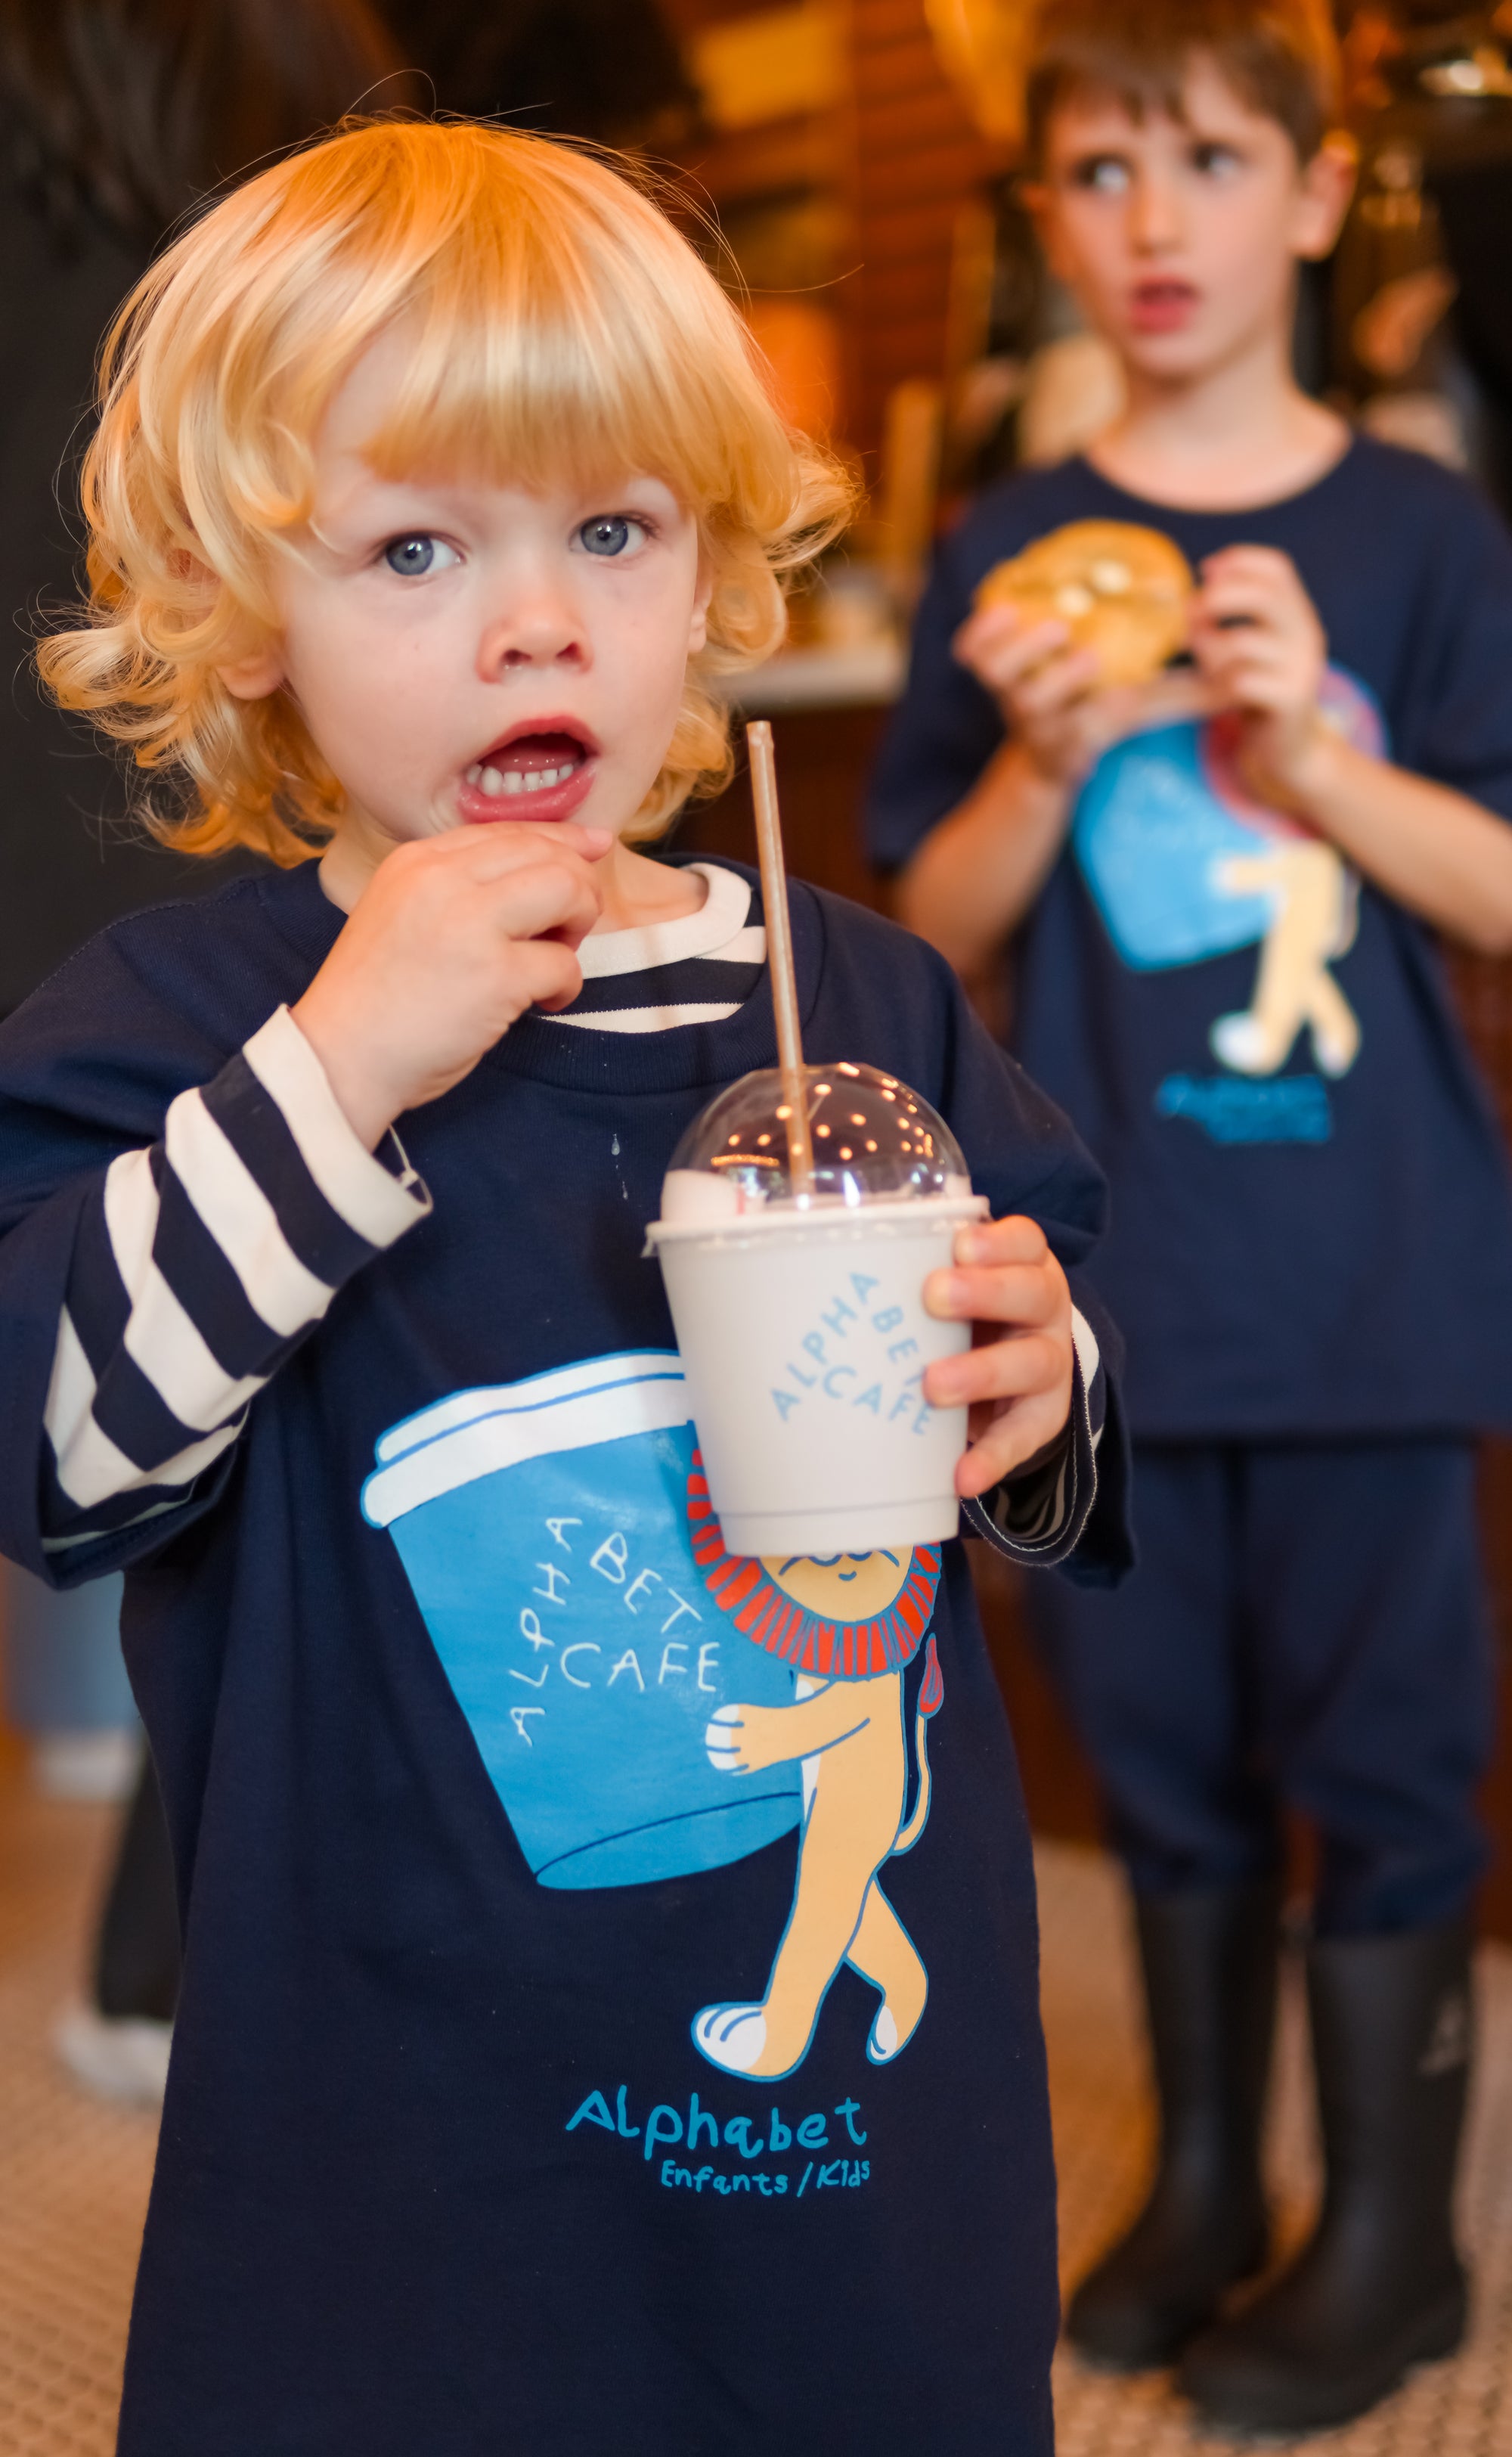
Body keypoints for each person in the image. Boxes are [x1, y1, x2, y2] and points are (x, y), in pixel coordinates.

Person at [0, 119, 1130, 2453]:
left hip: (849, 2141)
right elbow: (54, 1454)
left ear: (710, 568)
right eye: (417, 545)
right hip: (388, 2144)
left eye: (612, 530)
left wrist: (1047, 1374)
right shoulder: (188, 1021)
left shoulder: (861, 998)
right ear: (243, 614)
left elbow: (1068, 1394)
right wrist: (341, 1066)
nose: (540, 623)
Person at [867, 0, 1512, 2434]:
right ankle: (1219, 2179)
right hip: (1116, 1295)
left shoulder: (1424, 536)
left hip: (1374, 1292)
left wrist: (1314, 761)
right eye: (1105, 175)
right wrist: (1045, 753)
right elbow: (931, 908)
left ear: (1323, 196)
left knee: (1386, 1754)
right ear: (1047, 213)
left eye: (1212, 164)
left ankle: (1391, 2246)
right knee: (1156, 1761)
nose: (1156, 224)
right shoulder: (1011, 554)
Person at [0, 0, 411, 2105]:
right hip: (197, 829)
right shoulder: (318, 113)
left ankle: (169, 1925)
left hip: (94, 844)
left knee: (125, 1362)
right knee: (277, 1382)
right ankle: (179, 1938)